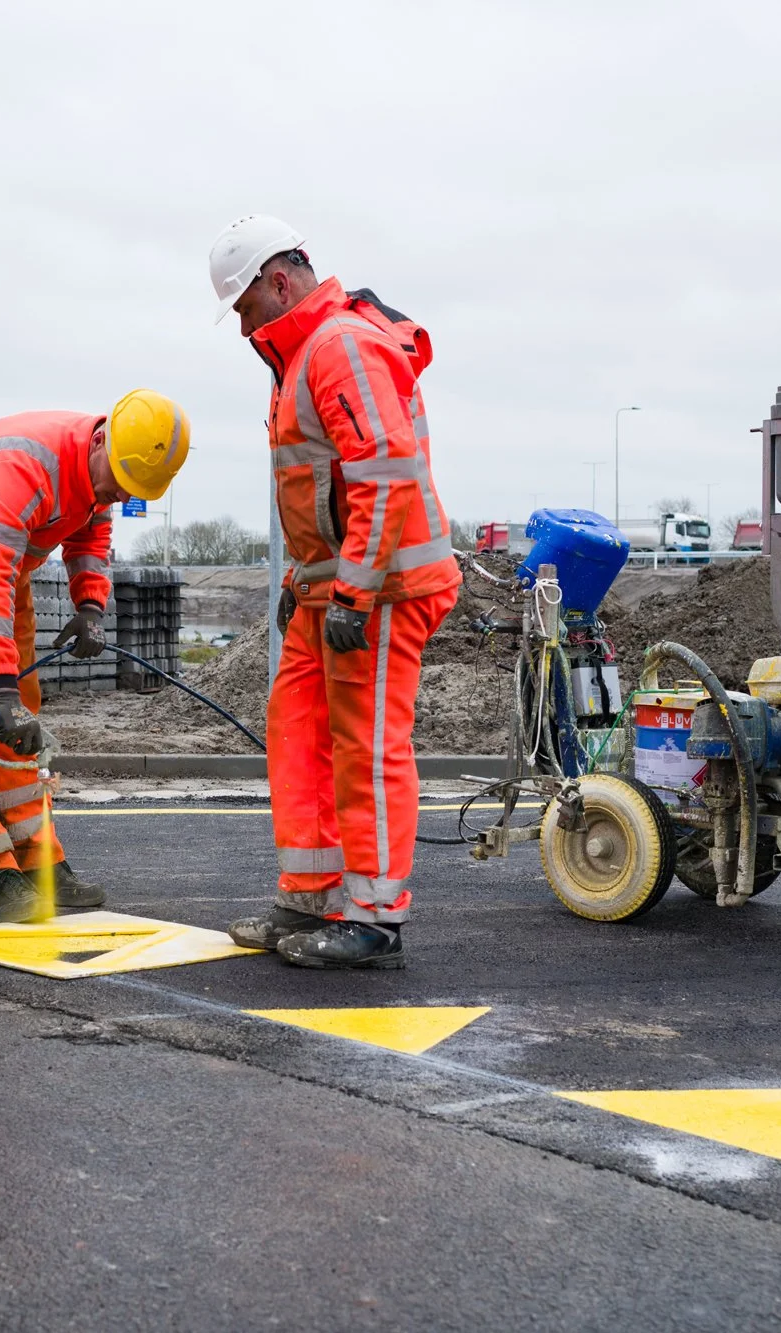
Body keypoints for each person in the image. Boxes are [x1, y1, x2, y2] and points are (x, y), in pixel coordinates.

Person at [208, 215, 461, 970]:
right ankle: (312, 892)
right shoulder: (303, 354)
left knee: (366, 745)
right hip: (340, 585)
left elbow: (381, 467)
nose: (243, 326)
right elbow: (325, 492)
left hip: (383, 587)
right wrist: (304, 579)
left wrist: (350, 591)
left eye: (245, 307)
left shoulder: (338, 346)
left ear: (278, 281)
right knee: (296, 727)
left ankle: (374, 913)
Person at [0, 392, 190, 922]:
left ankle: (37, 862)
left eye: (129, 490)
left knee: (22, 719)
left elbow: (91, 532)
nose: (117, 494)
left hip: (7, 570)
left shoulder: (100, 473)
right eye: (117, 481)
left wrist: (90, 605)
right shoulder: (23, 465)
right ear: (100, 442)